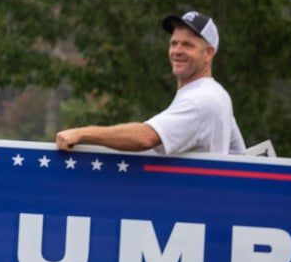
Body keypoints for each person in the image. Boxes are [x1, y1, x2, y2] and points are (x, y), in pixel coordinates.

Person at [56, 10, 245, 155]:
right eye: (174, 43)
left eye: (188, 45)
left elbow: (145, 137)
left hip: (193, 204)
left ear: (209, 53)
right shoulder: (218, 95)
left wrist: (82, 134)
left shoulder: (201, 100)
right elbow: (239, 155)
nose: (177, 51)